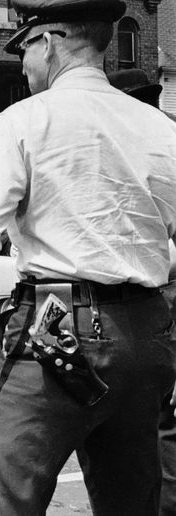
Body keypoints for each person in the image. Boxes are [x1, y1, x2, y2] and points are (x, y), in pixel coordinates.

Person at [0, 1, 176, 513]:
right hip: (149, 334)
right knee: (133, 501)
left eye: (24, 48)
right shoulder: (160, 128)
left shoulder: (24, 120)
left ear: (47, 42)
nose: (23, 64)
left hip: (57, 327)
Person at [106, 67, 176, 516]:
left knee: (159, 416)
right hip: (153, 294)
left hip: (157, 294)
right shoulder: (159, 143)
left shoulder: (124, 152)